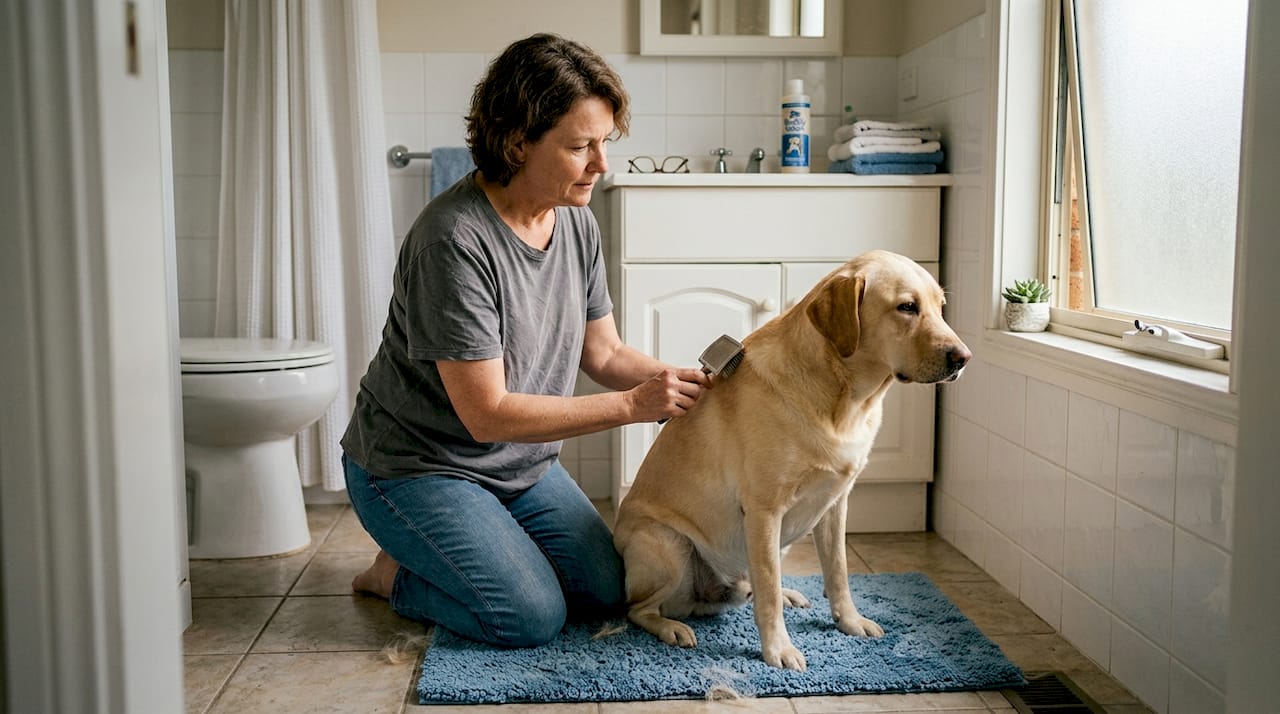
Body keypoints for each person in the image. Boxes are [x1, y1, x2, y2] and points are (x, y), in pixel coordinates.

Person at [340, 33, 711, 648]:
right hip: (417, 468)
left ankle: (483, 540)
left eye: (604, 143)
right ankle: (394, 575)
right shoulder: (453, 242)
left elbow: (606, 354)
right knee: (529, 616)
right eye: (579, 147)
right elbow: (486, 414)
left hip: (519, 464)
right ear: (518, 143)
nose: (601, 164)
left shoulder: (575, 221)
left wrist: (678, 384)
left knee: (605, 590)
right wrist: (632, 407)